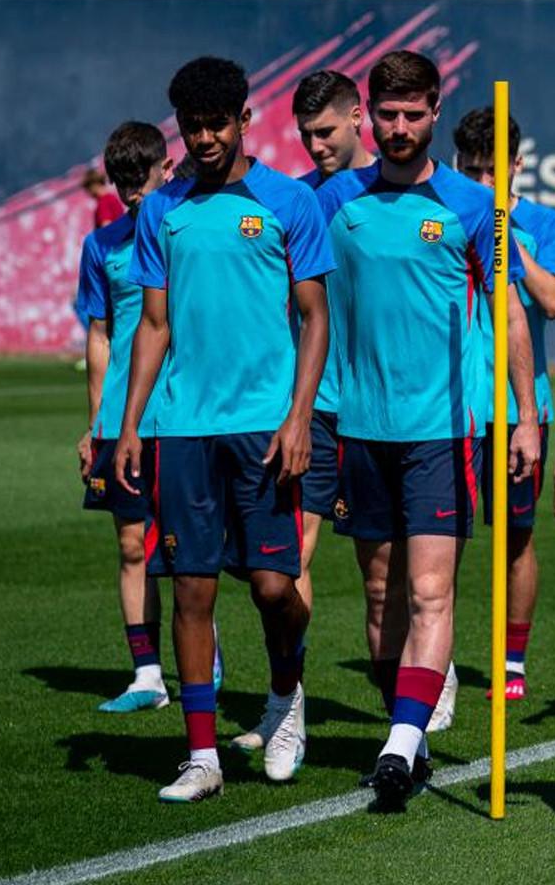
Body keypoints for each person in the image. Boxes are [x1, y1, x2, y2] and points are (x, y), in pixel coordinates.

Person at [316, 51, 540, 811]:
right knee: (381, 595)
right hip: (357, 426)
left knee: (431, 589)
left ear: (436, 113)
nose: (401, 128)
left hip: (442, 430)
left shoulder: (476, 207)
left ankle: (401, 746)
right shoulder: (332, 201)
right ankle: (402, 730)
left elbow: (510, 313)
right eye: (388, 115)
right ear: (366, 116)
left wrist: (526, 420)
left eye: (415, 115)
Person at [116, 56, 332, 803]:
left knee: (275, 587)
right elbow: (153, 324)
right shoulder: (161, 210)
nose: (204, 138)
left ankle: (284, 696)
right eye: (192, 126)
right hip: (183, 429)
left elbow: (315, 315)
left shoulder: (286, 203)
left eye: (216, 123)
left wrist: (300, 415)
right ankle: (202, 756)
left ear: (245, 120)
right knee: (192, 594)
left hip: (263, 429)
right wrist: (131, 425)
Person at [229, 68, 378, 755]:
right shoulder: (296, 200)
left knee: (385, 573)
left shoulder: (395, 191)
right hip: (313, 407)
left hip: (385, 408)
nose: (316, 145)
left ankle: (416, 688)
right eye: (305, 134)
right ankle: (289, 700)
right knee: (292, 560)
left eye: (326, 131)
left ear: (358, 118)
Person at [454, 107, 555, 704]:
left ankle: (513, 660)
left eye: (492, 172)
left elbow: (553, 301)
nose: (481, 183)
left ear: (517, 167)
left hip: (517, 410)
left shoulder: (545, 224)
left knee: (517, 538)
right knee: (439, 538)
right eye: (471, 171)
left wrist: (503, 234)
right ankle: (438, 661)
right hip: (450, 408)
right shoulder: (443, 216)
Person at [74, 121, 173, 714]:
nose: (134, 191)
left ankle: (202, 654)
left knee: (189, 551)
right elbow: (100, 337)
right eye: (124, 181)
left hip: (184, 416)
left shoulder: (187, 233)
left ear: (165, 168)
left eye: (143, 177)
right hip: (121, 422)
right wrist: (95, 424)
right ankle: (147, 676)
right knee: (132, 546)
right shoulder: (102, 245)